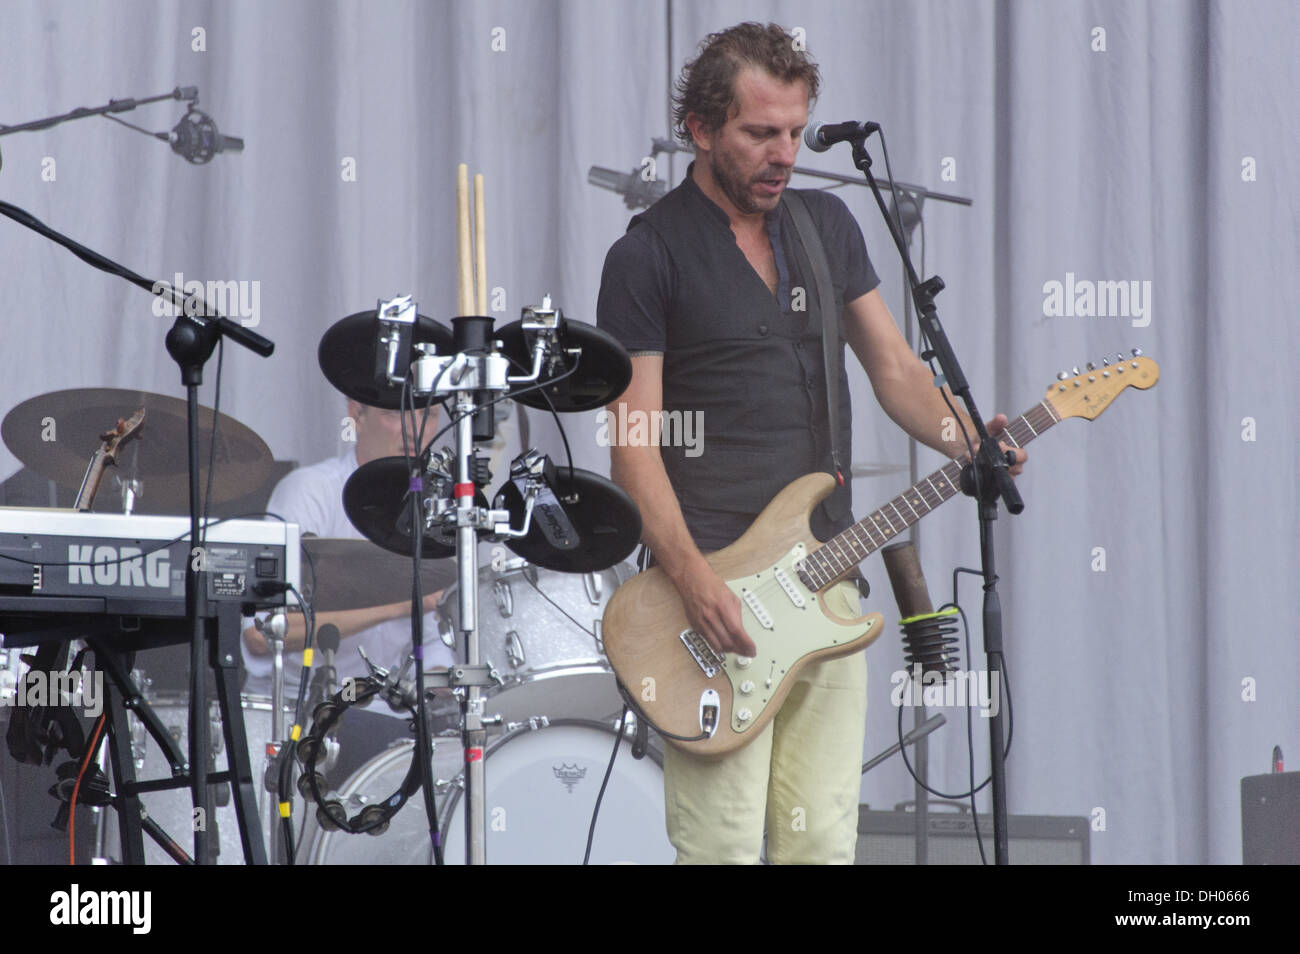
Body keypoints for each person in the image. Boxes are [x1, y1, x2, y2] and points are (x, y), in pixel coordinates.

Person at [597, 22, 1027, 864]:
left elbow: (899, 372)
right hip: (711, 595)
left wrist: (971, 438)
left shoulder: (827, 226)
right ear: (701, 128)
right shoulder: (646, 256)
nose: (783, 152)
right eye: (760, 133)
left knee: (823, 846)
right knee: (720, 849)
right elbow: (633, 445)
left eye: (794, 131)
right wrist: (690, 580)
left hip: (828, 581)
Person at [241, 400, 455, 784]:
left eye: (430, 414)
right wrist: (399, 605)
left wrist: (442, 680)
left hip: (388, 724)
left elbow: (434, 639)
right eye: (396, 412)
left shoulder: (436, 511)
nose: (415, 430)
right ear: (357, 412)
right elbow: (261, 634)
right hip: (291, 712)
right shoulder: (311, 491)